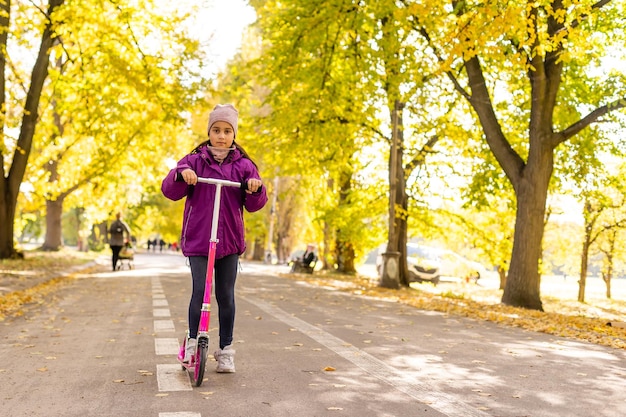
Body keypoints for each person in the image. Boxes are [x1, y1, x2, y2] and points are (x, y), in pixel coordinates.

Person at [161, 104, 268, 373]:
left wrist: (255, 188)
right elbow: (170, 191)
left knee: (226, 295)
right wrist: (180, 175)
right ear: (209, 132)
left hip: (228, 241)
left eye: (227, 131)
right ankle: (194, 342)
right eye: (217, 130)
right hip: (199, 238)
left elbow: (256, 203)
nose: (221, 136)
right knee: (200, 291)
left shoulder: (244, 166)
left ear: (234, 134)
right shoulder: (194, 161)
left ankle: (226, 350)